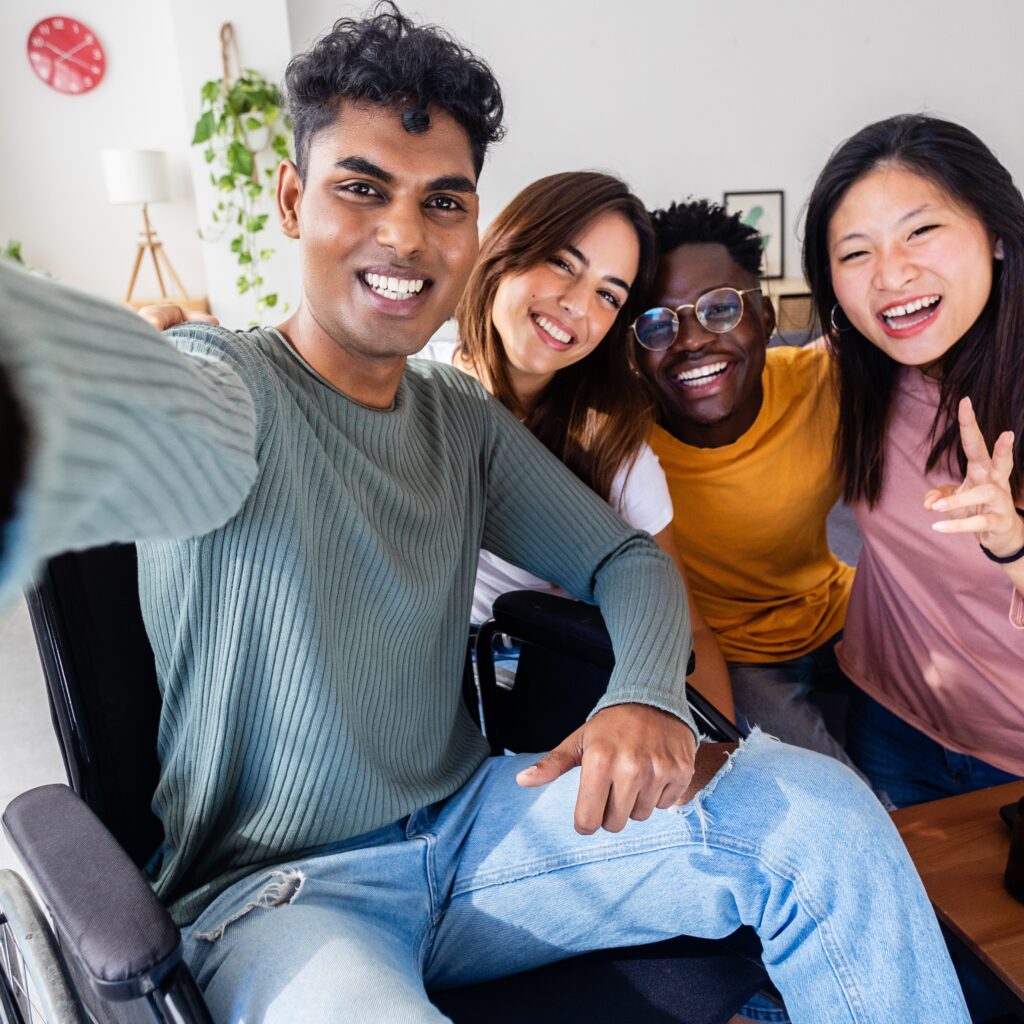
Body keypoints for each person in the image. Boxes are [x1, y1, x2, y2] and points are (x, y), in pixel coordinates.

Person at [0, 8, 969, 1021]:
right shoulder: (224, 381)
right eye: (362, 188)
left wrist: (640, 694)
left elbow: (629, 562)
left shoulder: (456, 414)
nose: (405, 235)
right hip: (281, 895)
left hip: (478, 833)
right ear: (291, 199)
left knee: (823, 816)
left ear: (473, 227)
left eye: (443, 200)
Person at [416, 172, 734, 717]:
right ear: (508, 248)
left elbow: (691, 634)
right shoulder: (409, 390)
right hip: (407, 703)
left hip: (549, 708)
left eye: (608, 295)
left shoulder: (614, 450)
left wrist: (712, 754)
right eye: (563, 263)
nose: (576, 306)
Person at [802, 113, 1024, 809]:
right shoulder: (847, 375)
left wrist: (1012, 542)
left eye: (922, 231)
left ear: (994, 233)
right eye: (855, 252)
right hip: (891, 717)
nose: (893, 275)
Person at [634, 199, 859, 771]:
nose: (689, 340)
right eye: (658, 323)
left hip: (845, 610)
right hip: (735, 655)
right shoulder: (622, 446)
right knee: (839, 796)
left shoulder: (826, 385)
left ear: (767, 318)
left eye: (719, 309)